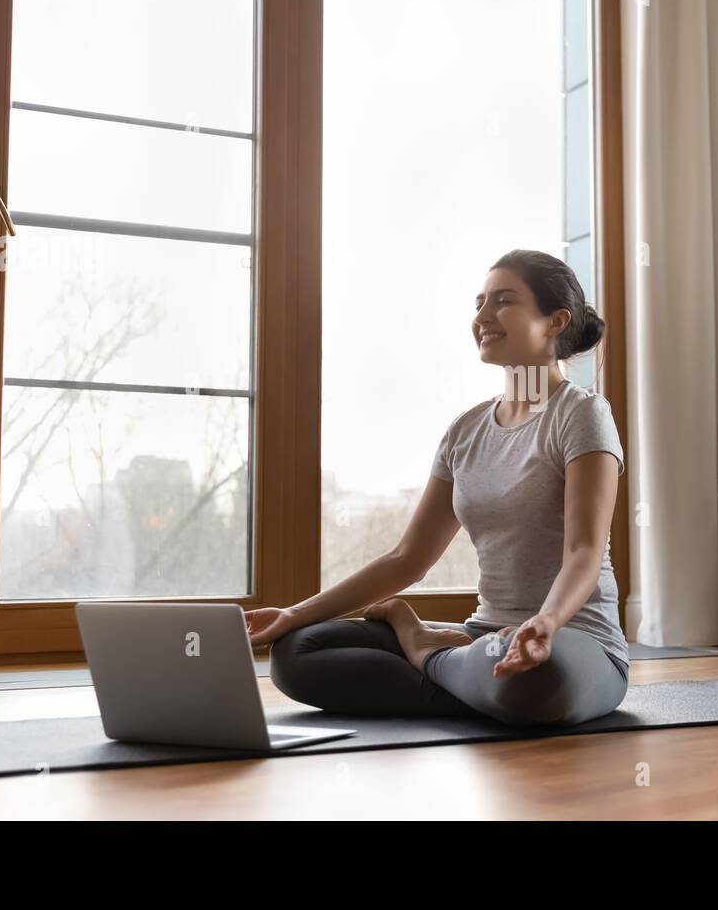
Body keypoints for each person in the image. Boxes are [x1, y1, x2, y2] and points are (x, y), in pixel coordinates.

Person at [245, 248, 629, 727]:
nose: (483, 316)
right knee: (298, 653)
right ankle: (465, 674)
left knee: (534, 677)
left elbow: (584, 551)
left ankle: (425, 650)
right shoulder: (465, 431)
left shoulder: (581, 414)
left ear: (555, 321)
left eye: (504, 301)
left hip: (574, 643)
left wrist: (545, 623)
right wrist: (294, 614)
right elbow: (408, 558)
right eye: (479, 303)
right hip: (482, 637)